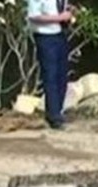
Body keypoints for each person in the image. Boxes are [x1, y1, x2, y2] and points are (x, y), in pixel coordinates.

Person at [28, 0, 74, 130]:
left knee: (62, 75)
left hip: (60, 34)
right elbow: (34, 16)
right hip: (45, 36)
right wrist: (59, 18)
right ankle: (54, 116)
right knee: (50, 76)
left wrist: (68, 12)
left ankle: (57, 111)